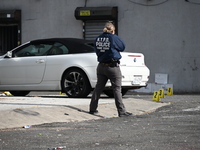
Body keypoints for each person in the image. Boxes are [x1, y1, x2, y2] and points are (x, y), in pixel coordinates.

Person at [89, 22, 132, 117]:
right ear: (112, 30)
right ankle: (121, 111)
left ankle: (92, 108)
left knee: (98, 88)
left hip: (101, 66)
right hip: (112, 67)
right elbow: (122, 47)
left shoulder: (98, 38)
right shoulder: (113, 37)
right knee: (117, 89)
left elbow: (96, 49)